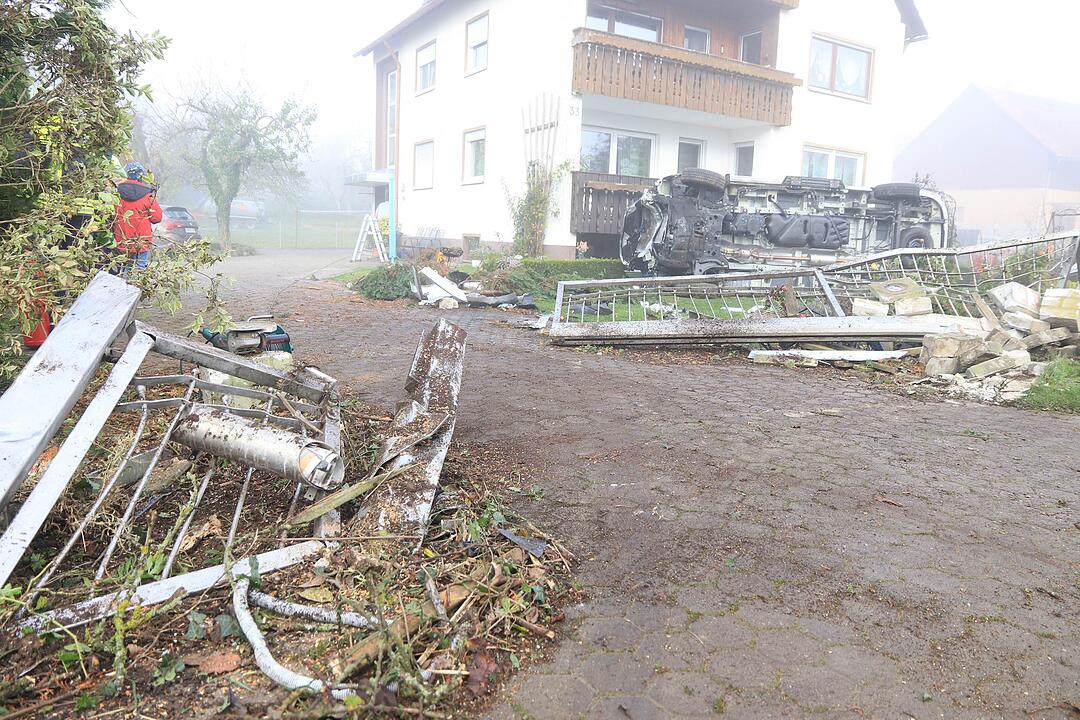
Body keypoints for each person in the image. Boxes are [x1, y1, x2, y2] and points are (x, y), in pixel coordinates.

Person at [113, 161, 162, 274]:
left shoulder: (116, 195)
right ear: (141, 175)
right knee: (140, 269)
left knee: (125, 267)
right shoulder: (148, 195)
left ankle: (123, 288)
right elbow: (157, 218)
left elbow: (112, 215)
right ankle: (137, 288)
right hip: (142, 240)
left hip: (123, 239)